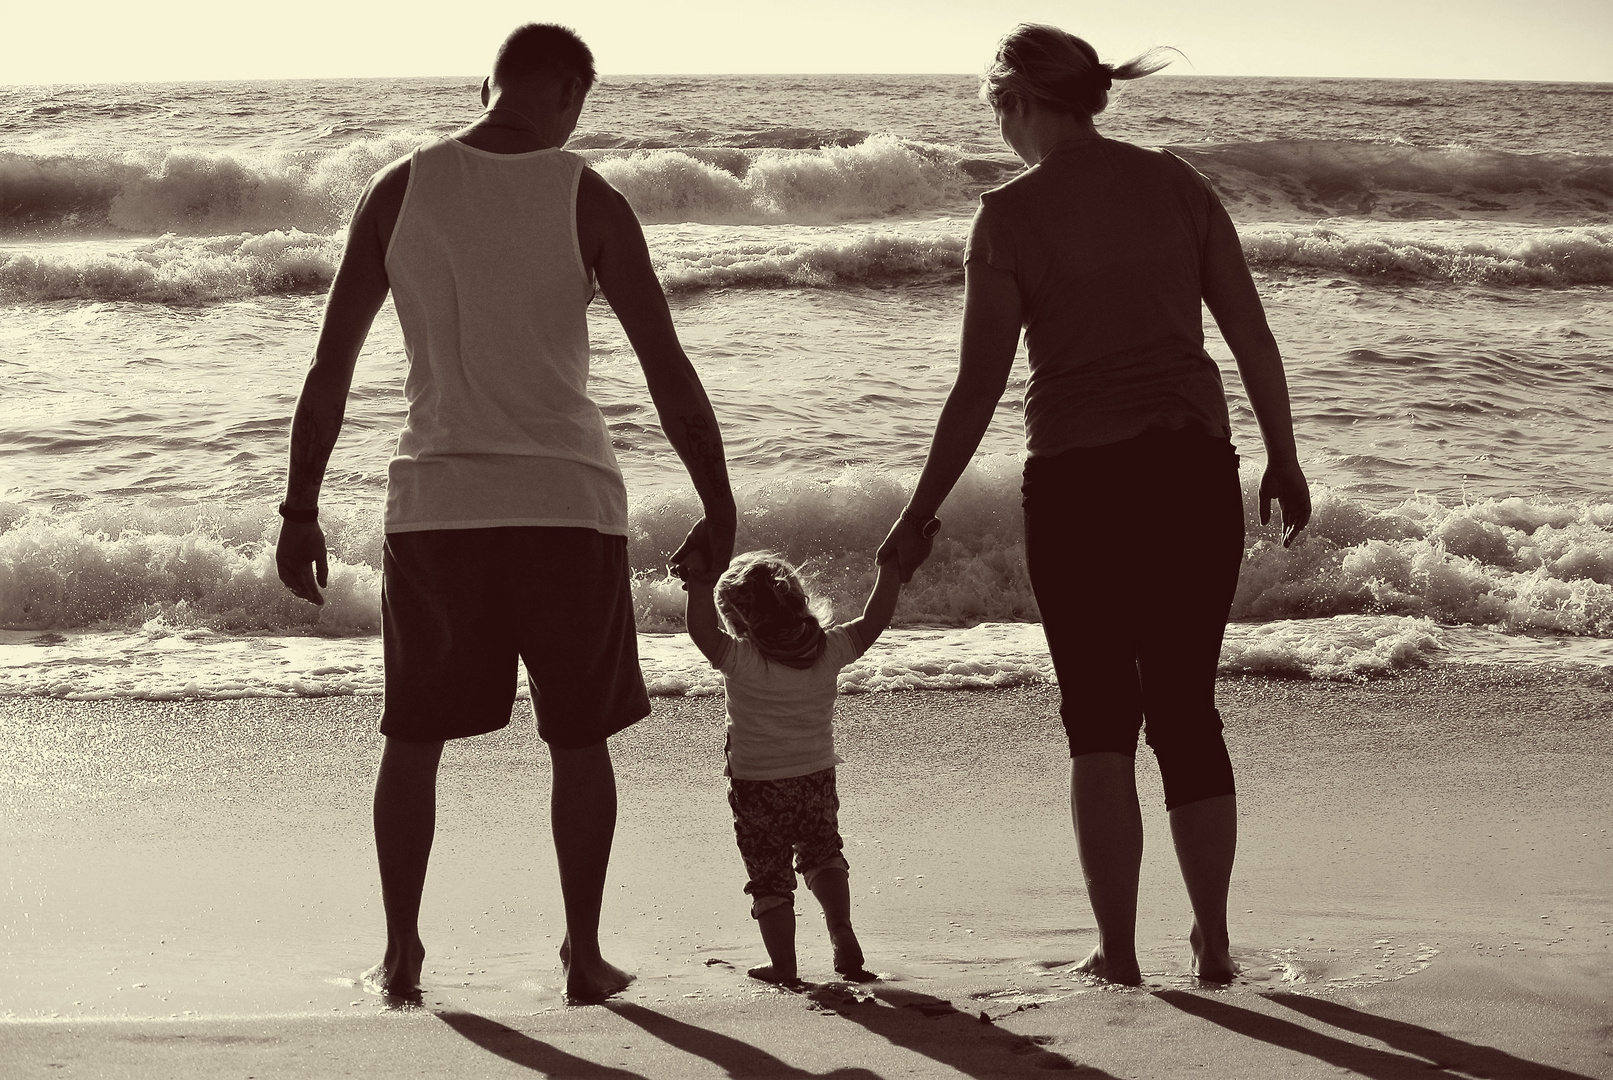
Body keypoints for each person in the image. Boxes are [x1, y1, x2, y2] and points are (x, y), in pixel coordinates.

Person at [273, 23, 736, 1004]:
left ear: (488, 83)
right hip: (566, 508)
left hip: (437, 508)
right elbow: (667, 371)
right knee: (578, 739)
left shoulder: (397, 187)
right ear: (569, 91)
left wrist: (300, 506)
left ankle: (400, 956)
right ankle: (582, 955)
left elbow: (330, 367)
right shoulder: (589, 196)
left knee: (412, 738)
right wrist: (718, 500)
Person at [879, 24, 1311, 986]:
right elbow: (1250, 334)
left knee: (1100, 719)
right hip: (1194, 469)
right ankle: (1213, 942)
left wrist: (918, 513)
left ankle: (1116, 952)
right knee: (1188, 710)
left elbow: (976, 387)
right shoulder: (1174, 182)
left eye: (997, 108)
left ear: (1016, 101)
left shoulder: (1007, 216)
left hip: (1080, 484)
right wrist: (1281, 456)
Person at [674, 549, 900, 985]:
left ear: (739, 621)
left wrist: (698, 583)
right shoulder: (829, 649)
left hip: (756, 787)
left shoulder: (740, 659)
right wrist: (890, 568)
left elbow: (699, 629)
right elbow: (875, 621)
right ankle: (841, 929)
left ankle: (784, 965)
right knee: (823, 852)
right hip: (815, 779)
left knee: (769, 878)